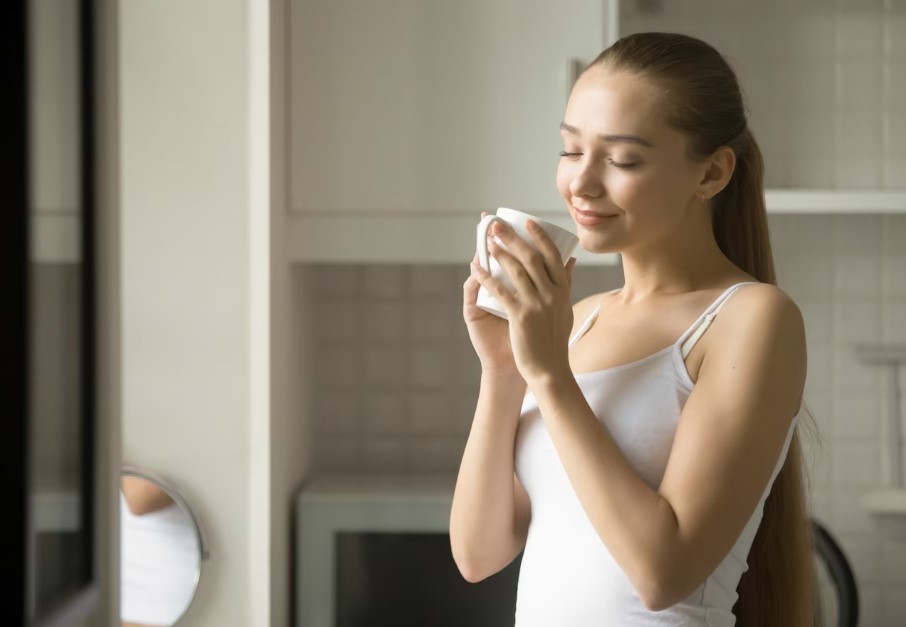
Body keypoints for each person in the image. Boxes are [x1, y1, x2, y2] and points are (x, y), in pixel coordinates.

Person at [450, 32, 816, 627]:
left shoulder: (751, 319)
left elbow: (661, 573)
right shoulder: (579, 318)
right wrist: (504, 371)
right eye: (571, 151)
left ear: (712, 173)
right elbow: (477, 553)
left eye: (622, 160)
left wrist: (549, 375)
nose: (582, 184)